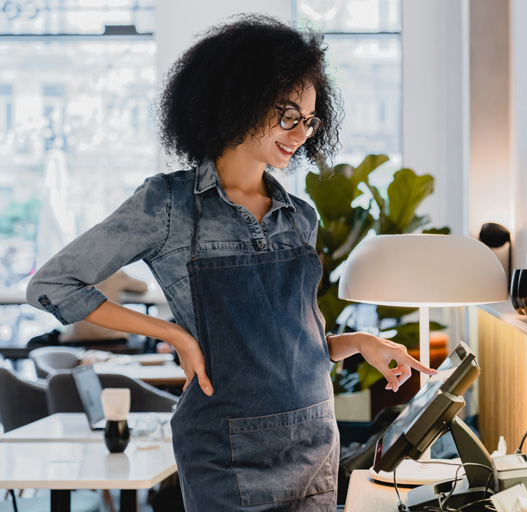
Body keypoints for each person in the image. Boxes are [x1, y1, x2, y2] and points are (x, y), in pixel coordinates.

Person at [26, 14, 435, 511]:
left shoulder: (298, 217)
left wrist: (357, 343)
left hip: (313, 446)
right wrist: (173, 334)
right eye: (289, 115)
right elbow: (52, 284)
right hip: (226, 456)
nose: (301, 133)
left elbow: (289, 343)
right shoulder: (170, 205)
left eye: (309, 120)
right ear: (240, 99)